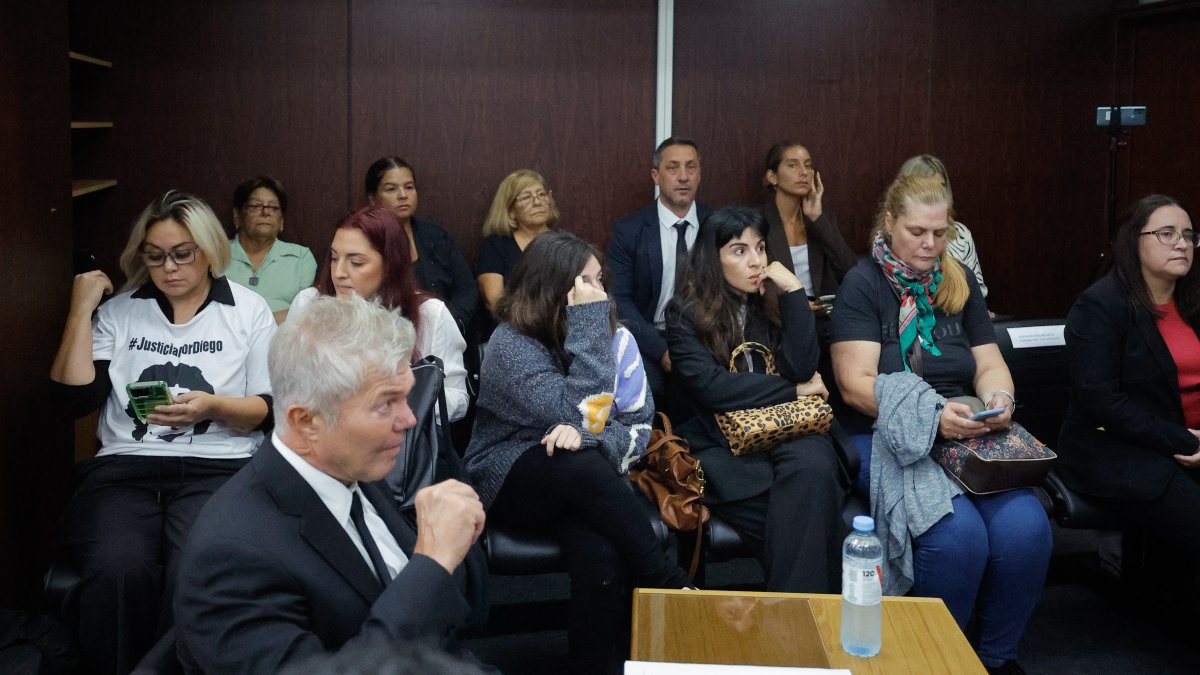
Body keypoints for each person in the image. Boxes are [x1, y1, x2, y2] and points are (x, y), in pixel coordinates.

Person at [174, 295, 488, 674]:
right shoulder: (231, 554)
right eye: (385, 404)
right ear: (307, 422)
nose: (408, 418)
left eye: (407, 396)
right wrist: (432, 563)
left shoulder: (353, 471)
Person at [829, 176, 1051, 675]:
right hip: (886, 434)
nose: (930, 244)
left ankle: (994, 658)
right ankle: (936, 661)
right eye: (916, 232)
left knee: (1027, 528)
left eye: (939, 231)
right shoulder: (864, 284)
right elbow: (854, 384)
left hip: (967, 425)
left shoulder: (958, 281)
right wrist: (931, 418)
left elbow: (990, 363)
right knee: (957, 535)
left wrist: (1000, 398)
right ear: (889, 224)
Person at [49, 191, 276, 674]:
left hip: (217, 468)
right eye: (155, 257)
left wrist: (211, 407)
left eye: (181, 254)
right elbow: (71, 401)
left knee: (194, 569)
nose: (169, 267)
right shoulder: (122, 311)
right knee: (117, 570)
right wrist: (81, 308)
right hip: (124, 472)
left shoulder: (247, 309)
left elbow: (268, 410)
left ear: (210, 250)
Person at [464, 231, 691, 675]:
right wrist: (588, 325)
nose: (600, 292)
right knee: (576, 462)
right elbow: (587, 413)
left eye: (600, 280)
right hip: (509, 473)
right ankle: (666, 582)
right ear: (554, 288)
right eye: (586, 282)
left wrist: (587, 438)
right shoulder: (510, 346)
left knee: (601, 553)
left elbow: (635, 428)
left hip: (584, 480)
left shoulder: (612, 338)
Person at [665, 206, 845, 592]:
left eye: (760, 248)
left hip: (790, 431)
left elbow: (800, 366)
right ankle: (806, 626)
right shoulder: (685, 312)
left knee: (815, 466)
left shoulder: (773, 301)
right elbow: (715, 389)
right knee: (808, 523)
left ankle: (792, 624)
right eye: (739, 250)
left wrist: (795, 293)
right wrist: (793, 391)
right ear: (713, 260)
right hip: (723, 445)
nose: (756, 261)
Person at [1058, 195, 1200, 558]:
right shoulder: (1101, 306)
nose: (1182, 243)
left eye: (1188, 235)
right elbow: (1103, 402)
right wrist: (1184, 441)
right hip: (1119, 453)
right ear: (1134, 240)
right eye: (1167, 233)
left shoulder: (1193, 300)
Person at [289, 206, 469, 423]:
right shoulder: (309, 302)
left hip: (399, 440)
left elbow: (457, 397)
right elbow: (284, 384)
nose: (338, 273)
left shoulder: (429, 313)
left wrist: (394, 402)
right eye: (335, 258)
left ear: (389, 266)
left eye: (356, 262)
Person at [608, 137, 713, 408]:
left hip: (704, 335)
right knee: (650, 391)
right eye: (673, 168)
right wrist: (660, 349)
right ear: (656, 176)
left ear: (700, 174)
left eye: (691, 168)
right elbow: (619, 299)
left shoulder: (716, 225)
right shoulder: (629, 230)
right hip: (649, 335)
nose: (683, 177)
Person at [365, 156, 479, 332]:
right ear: (373, 198)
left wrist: (447, 325)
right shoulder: (363, 241)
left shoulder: (436, 236)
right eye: (391, 189)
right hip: (388, 340)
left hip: (446, 334)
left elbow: (467, 290)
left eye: (409, 187)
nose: (403, 195)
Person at [761, 141, 856, 301]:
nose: (804, 172)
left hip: (824, 314)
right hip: (780, 315)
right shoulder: (758, 222)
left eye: (808, 165)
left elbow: (851, 271)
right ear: (772, 176)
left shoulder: (822, 218)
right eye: (792, 165)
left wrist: (817, 218)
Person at [224, 176, 318, 324]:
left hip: (283, 342)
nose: (265, 212)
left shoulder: (301, 257)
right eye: (255, 206)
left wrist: (257, 327)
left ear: (282, 221)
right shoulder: (216, 254)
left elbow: (305, 312)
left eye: (274, 208)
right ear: (237, 216)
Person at [897, 154, 989, 297]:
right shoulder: (893, 236)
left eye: (941, 188)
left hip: (957, 313)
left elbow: (978, 292)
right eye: (928, 188)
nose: (936, 195)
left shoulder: (961, 234)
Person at [476, 168, 559, 313]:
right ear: (510, 211)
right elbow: (494, 301)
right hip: (514, 328)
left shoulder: (566, 244)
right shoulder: (496, 246)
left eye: (541, 194)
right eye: (526, 197)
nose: (537, 202)